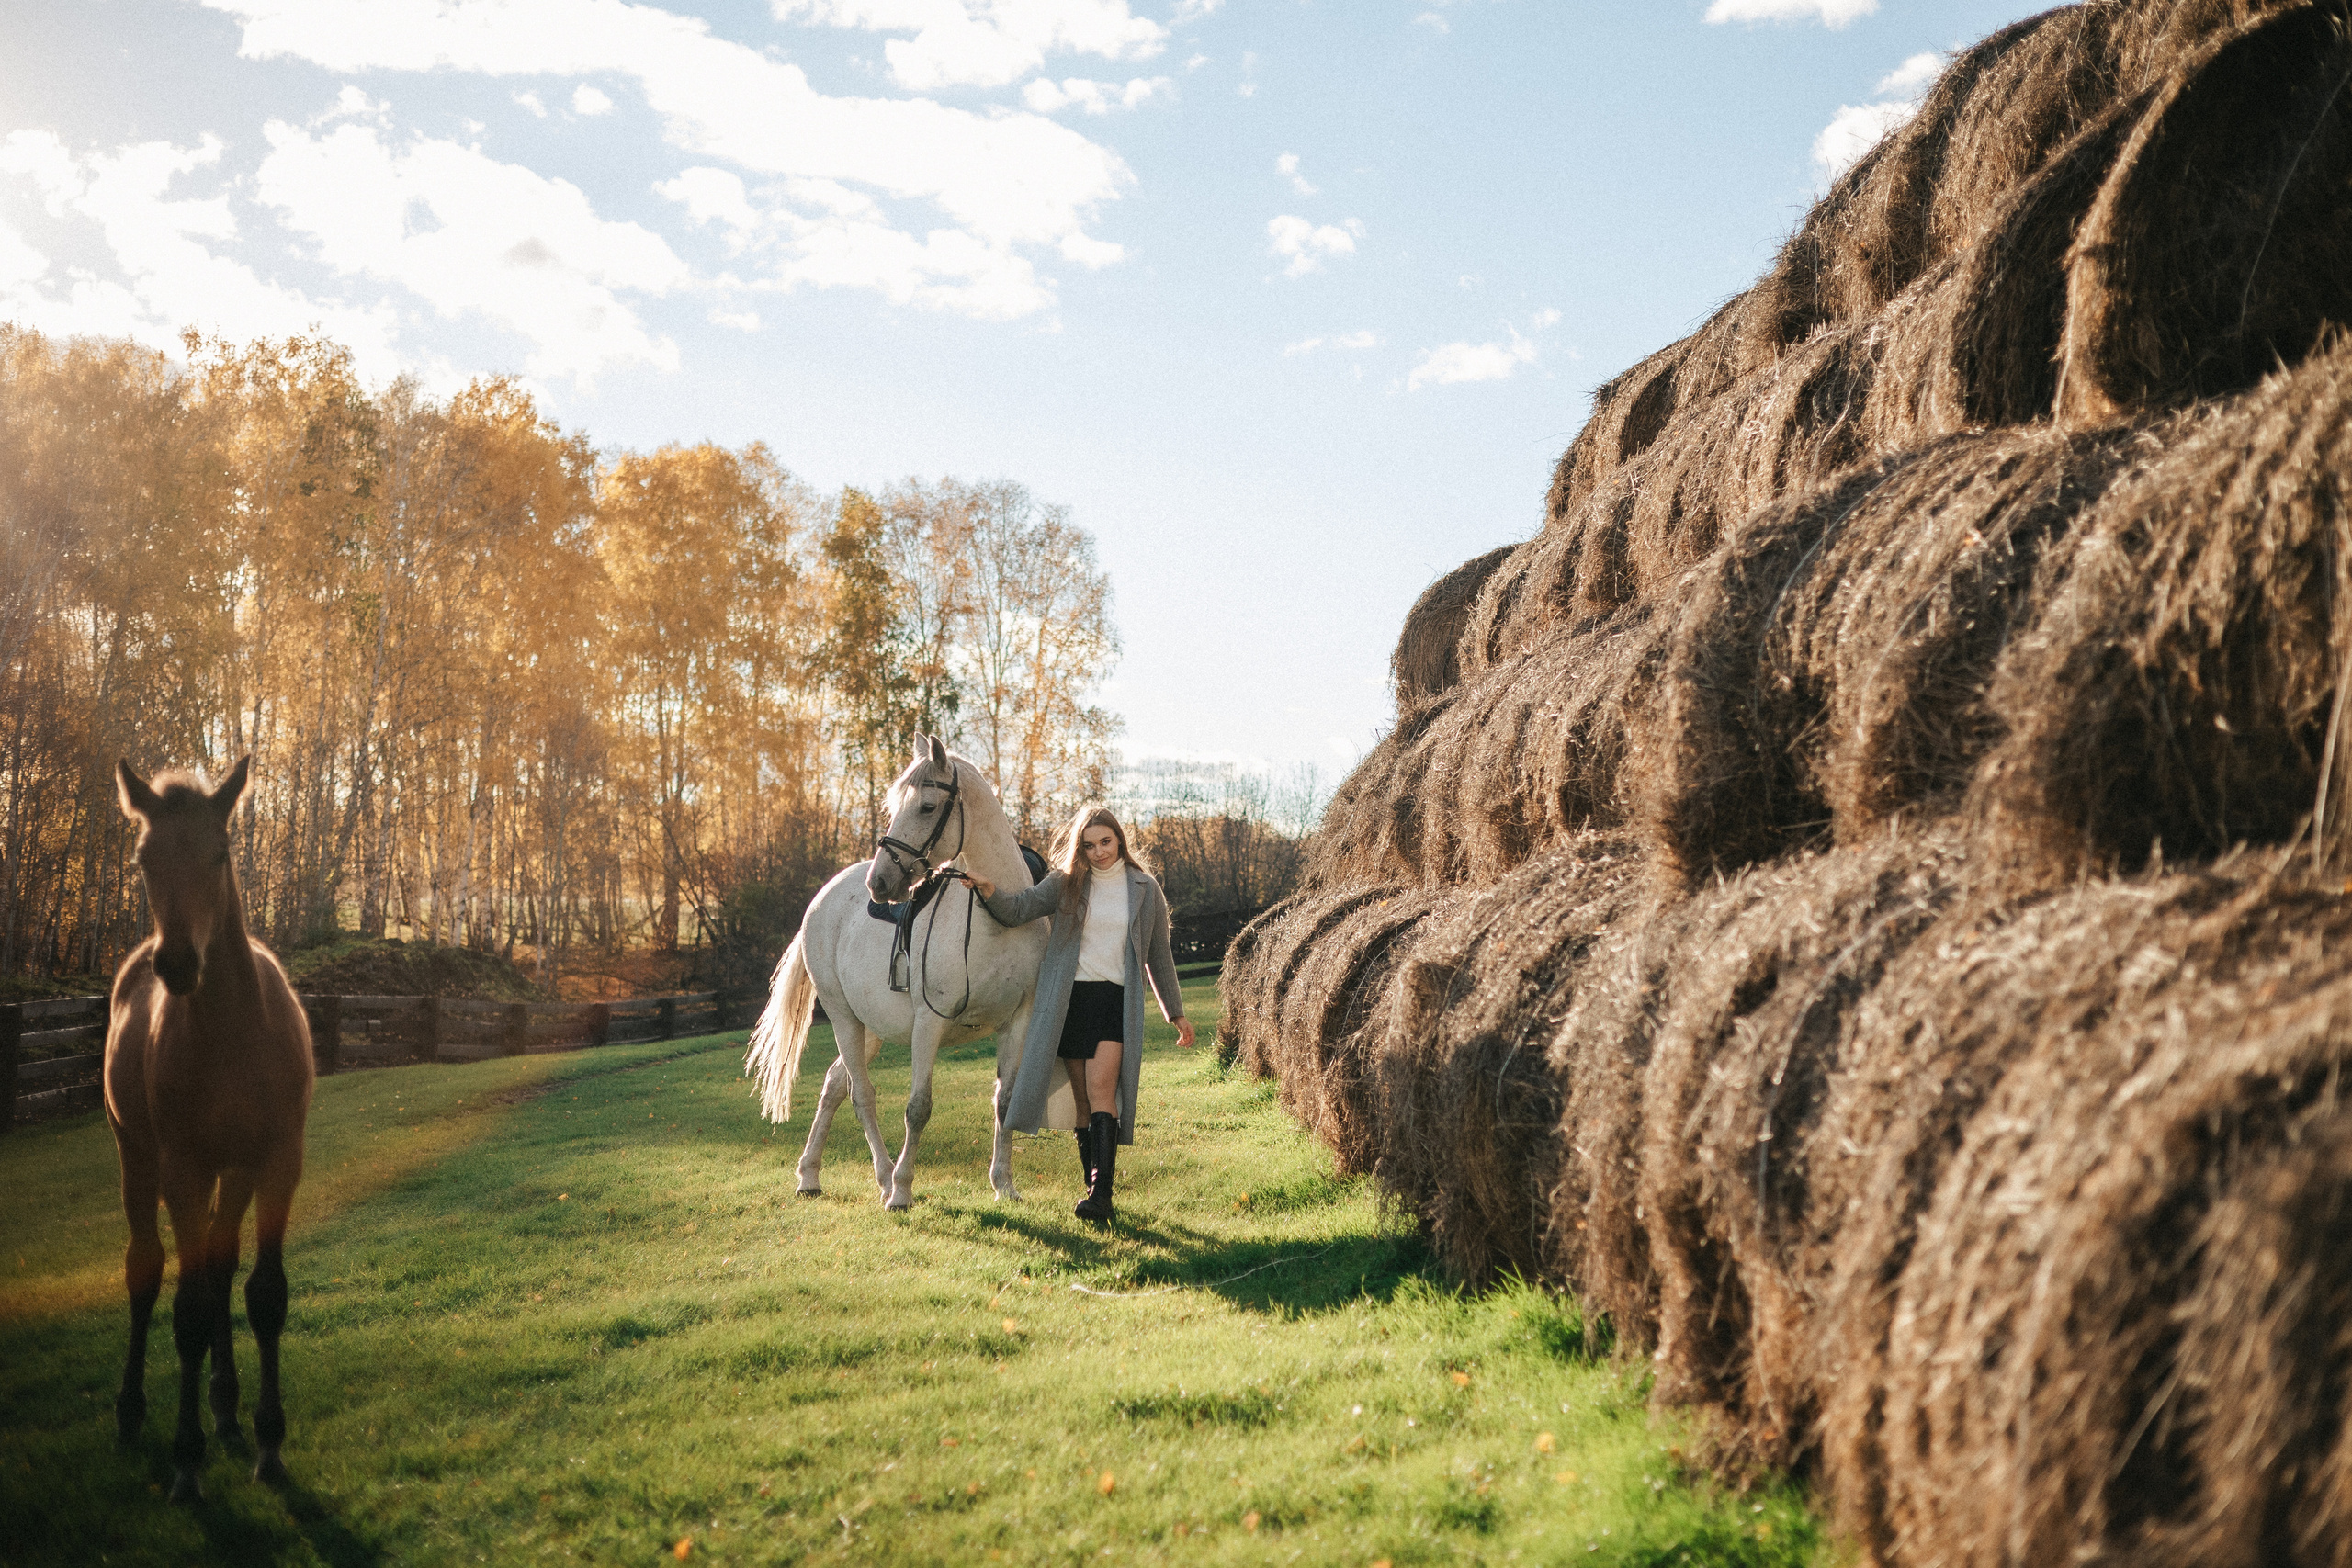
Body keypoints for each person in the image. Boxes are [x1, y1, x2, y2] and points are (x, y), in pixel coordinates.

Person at [967, 804, 1195, 1223]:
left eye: (1106, 842)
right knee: (1082, 1102)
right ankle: (1093, 1190)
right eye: (1089, 845)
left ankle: (1102, 1196)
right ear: (1080, 847)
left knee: (1101, 1090)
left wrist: (1175, 1012)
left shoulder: (1144, 888)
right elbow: (1019, 910)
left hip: (1114, 1002)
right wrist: (988, 889)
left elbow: (1158, 955)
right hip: (1068, 1003)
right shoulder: (1066, 884)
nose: (1099, 852)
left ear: (1120, 840)